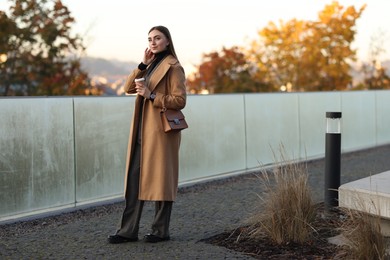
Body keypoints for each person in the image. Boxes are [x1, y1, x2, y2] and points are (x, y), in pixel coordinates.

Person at [108, 25, 187, 244]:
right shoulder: (150, 65)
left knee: (162, 181)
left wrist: (152, 95)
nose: (153, 42)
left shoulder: (174, 67)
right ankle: (127, 230)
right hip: (141, 133)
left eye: (158, 38)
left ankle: (160, 231)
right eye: (150, 38)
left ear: (168, 41)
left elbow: (180, 101)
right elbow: (127, 88)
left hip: (161, 133)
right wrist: (142, 64)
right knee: (134, 181)